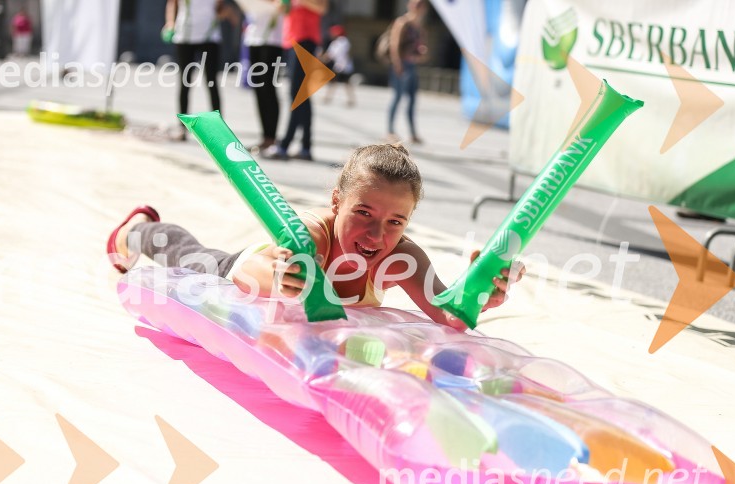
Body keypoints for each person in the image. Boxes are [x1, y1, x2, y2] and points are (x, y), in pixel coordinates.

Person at [106, 144, 523, 330]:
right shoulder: (312, 235)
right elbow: (260, 275)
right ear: (336, 201)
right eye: (363, 212)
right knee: (188, 254)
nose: (378, 234)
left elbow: (447, 314)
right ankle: (134, 230)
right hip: (234, 271)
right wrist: (286, 279)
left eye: (397, 221)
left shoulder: (402, 259)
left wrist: (481, 291)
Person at [264, 0, 328, 161]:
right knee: (302, 95)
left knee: (297, 94)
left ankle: (285, 145)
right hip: (291, 40)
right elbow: (284, 9)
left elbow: (322, 7)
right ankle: (306, 147)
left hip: (306, 40)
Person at [164, 0, 235, 140]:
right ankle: (182, 128)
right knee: (185, 82)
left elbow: (221, 8)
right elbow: (172, 3)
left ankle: (219, 129)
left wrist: (226, 13)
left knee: (211, 82)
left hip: (209, 36)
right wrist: (170, 22)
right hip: (185, 35)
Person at [242, 0, 284, 153]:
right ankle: (265, 137)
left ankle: (272, 137)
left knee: (268, 88)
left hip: (273, 40)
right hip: (254, 37)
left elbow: (285, 7)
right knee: (258, 88)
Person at [387, 0, 429, 144]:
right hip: (402, 65)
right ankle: (390, 131)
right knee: (397, 97)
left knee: (412, 100)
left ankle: (413, 133)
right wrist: (398, 64)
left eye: (420, 5)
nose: (417, 8)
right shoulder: (402, 22)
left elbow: (421, 47)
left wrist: (422, 52)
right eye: (415, 4)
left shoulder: (419, 27)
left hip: (412, 65)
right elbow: (394, 44)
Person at [322, 24, 355, 107]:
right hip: (343, 66)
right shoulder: (344, 41)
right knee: (344, 83)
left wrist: (322, 58)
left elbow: (332, 54)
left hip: (342, 66)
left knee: (337, 83)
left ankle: (328, 97)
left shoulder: (340, 41)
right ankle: (350, 100)